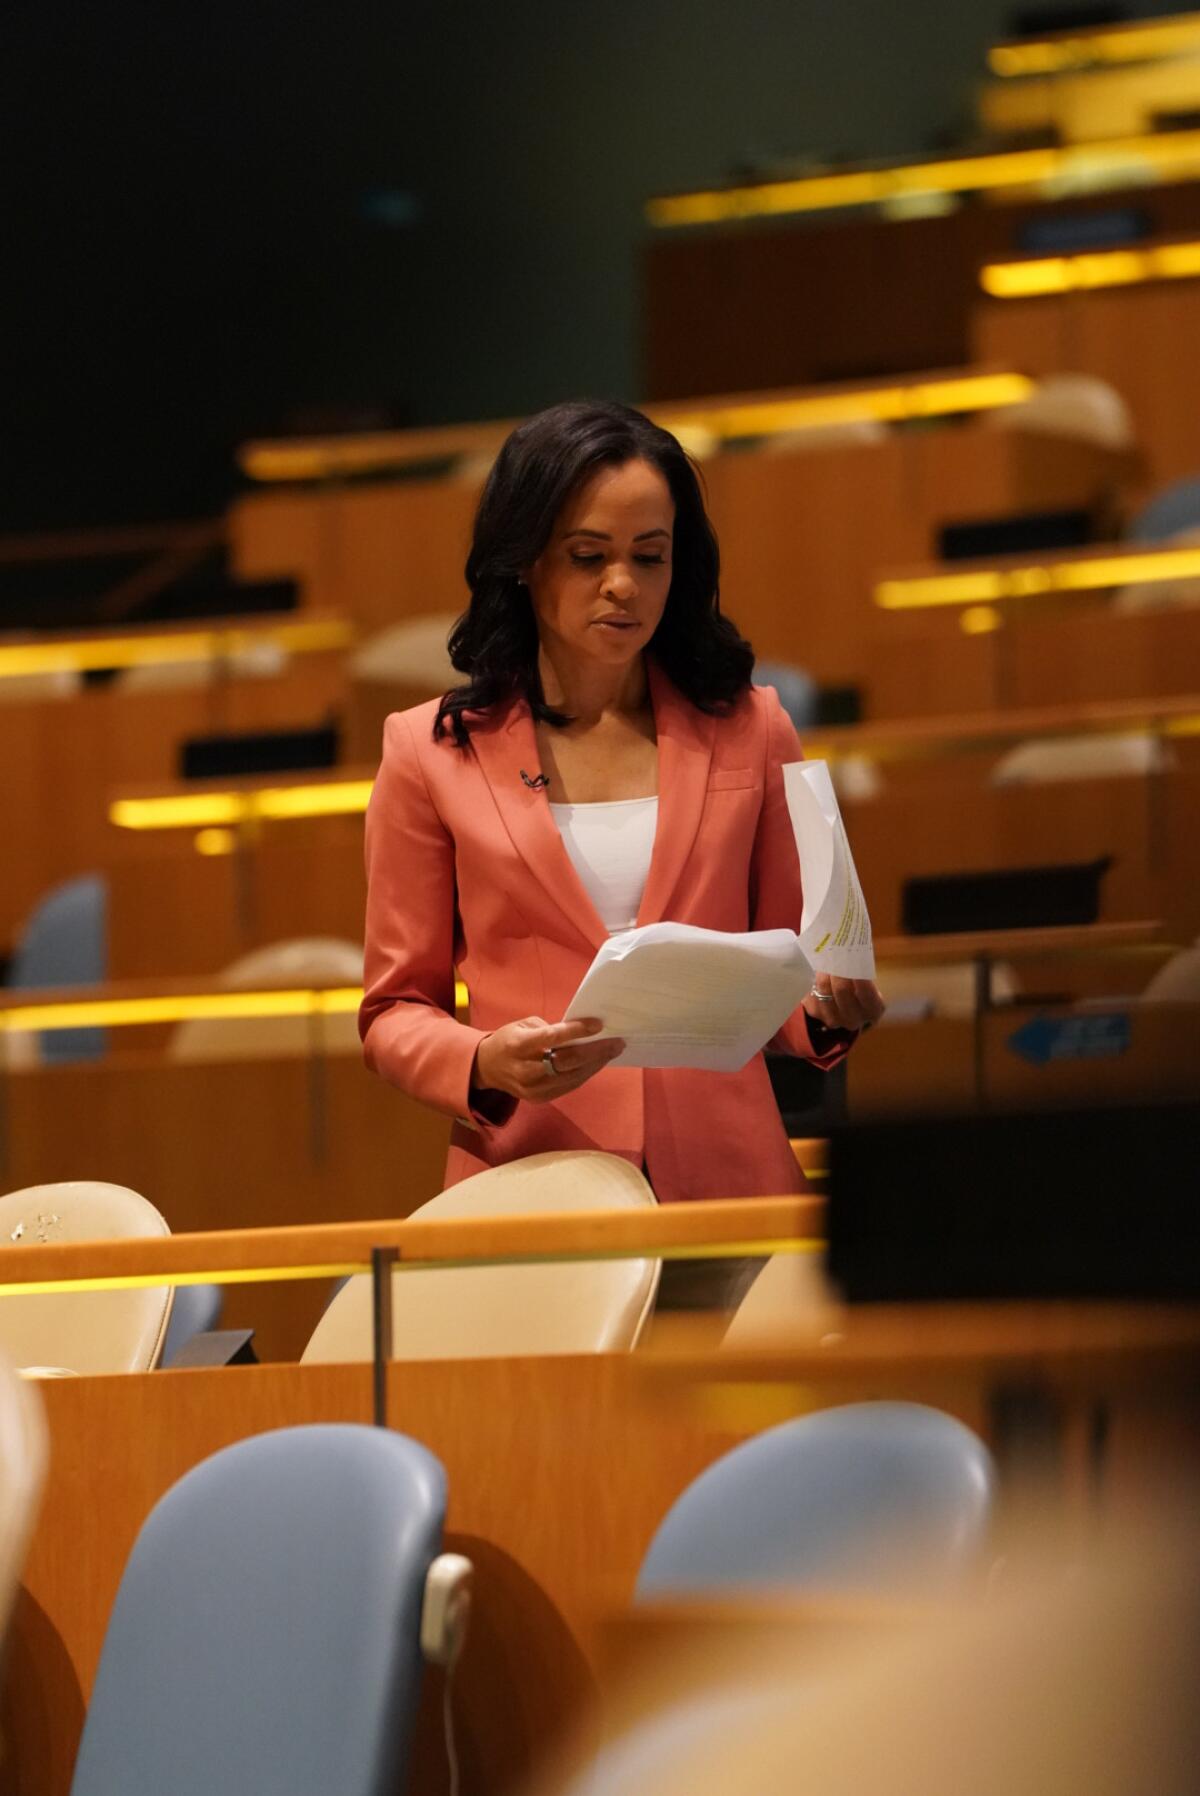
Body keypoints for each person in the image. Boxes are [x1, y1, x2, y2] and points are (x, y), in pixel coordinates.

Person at [360, 400, 884, 1264]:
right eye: (589, 556)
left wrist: (830, 1006)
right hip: (533, 1187)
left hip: (729, 1185)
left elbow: (798, 963)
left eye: (650, 557)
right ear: (525, 561)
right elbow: (392, 1013)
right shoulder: (426, 751)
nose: (623, 585)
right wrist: (484, 1059)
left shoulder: (753, 728)